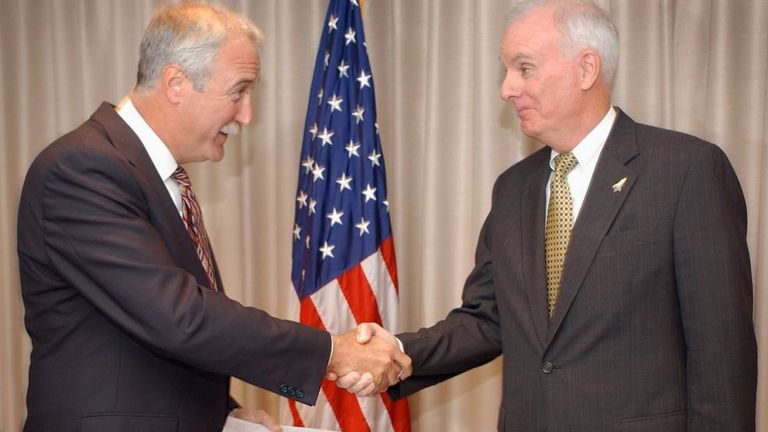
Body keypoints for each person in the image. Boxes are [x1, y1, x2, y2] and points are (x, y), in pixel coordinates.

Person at [334, 0, 758, 430]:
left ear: (586, 68)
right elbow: (487, 319)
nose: (506, 88)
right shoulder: (514, 188)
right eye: (506, 70)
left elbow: (722, 354)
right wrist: (400, 354)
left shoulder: (686, 170)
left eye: (524, 68)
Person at [16, 3, 409, 432]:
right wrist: (334, 351)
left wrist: (222, 409)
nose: (247, 115)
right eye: (238, 91)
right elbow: (178, 315)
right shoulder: (82, 169)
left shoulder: (156, 176)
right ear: (176, 82)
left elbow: (147, 329)